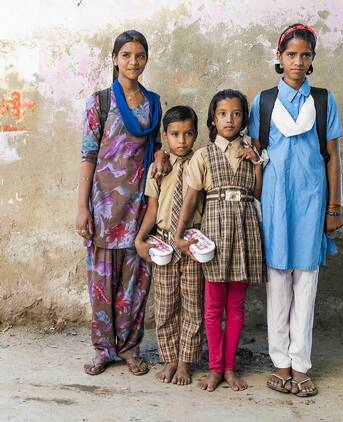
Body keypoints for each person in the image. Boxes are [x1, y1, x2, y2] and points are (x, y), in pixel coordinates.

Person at [247, 24, 343, 397]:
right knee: (278, 283)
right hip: (274, 201)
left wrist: (333, 207)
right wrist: (255, 197)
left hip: (311, 199)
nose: (298, 61)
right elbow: (257, 153)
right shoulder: (265, 102)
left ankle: (301, 364)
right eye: (291, 55)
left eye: (305, 55)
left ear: (312, 60)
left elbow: (333, 156)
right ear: (279, 57)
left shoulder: (322, 101)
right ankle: (280, 362)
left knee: (306, 282)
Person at [76, 29, 169, 376]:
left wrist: (160, 155)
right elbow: (88, 153)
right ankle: (103, 349)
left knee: (136, 279)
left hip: (140, 205)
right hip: (102, 204)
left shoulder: (153, 103)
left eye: (140, 55)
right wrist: (82, 205)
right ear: (115, 59)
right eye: (126, 55)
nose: (133, 61)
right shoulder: (99, 101)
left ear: (146, 60)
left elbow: (157, 144)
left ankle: (130, 347)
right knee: (101, 280)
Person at [175, 89, 265, 392]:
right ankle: (214, 368)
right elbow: (190, 198)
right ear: (213, 118)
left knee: (237, 305)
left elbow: (258, 193)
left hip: (244, 228)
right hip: (214, 232)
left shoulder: (252, 150)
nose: (230, 119)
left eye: (237, 113)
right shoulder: (203, 155)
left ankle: (229, 368)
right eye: (223, 114)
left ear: (244, 118)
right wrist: (179, 232)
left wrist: (256, 162)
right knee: (213, 306)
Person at [135, 106, 203, 385]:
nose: (182, 140)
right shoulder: (158, 169)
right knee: (164, 306)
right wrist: (140, 238)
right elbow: (152, 208)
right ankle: (170, 359)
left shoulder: (202, 162)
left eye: (188, 133)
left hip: (192, 243)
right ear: (165, 135)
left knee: (193, 305)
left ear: (197, 135)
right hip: (163, 241)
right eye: (175, 134)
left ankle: (186, 362)